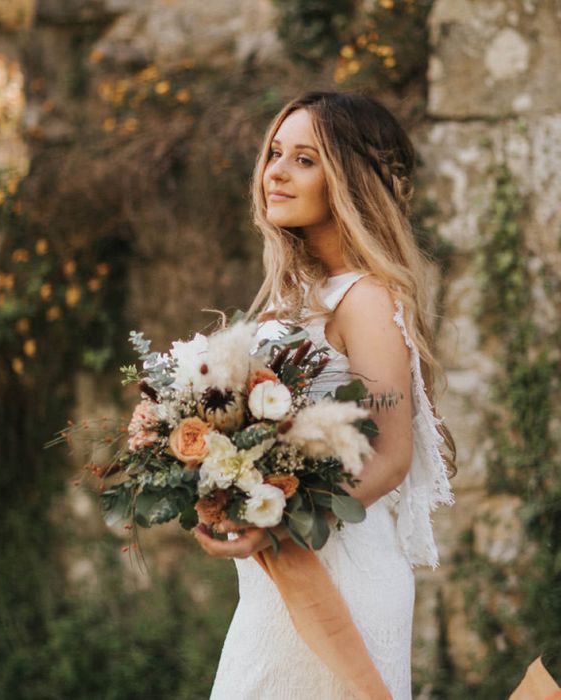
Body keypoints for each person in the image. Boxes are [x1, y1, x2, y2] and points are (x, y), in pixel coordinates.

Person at [191, 91, 456, 699]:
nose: (275, 172)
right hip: (277, 573)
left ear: (351, 180)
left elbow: (390, 458)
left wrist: (273, 518)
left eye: (305, 159)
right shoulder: (300, 294)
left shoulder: (363, 298)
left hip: (342, 574)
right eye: (275, 153)